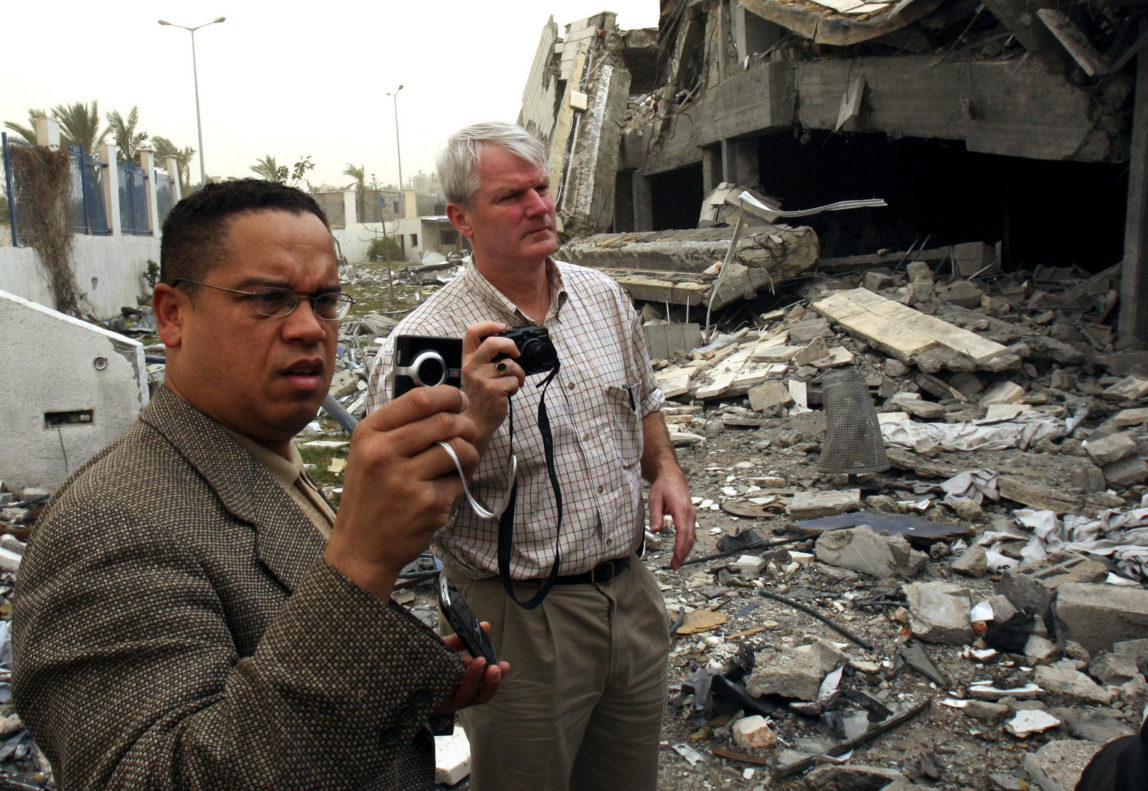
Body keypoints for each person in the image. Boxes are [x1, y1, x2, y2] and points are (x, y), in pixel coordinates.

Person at [12, 179, 508, 791]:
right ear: (172, 316)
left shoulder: (263, 464)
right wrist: (364, 559)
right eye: (269, 299)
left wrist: (401, 683)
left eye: (324, 300)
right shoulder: (108, 526)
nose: (309, 328)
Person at [366, 122, 697, 790]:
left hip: (629, 594)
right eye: (512, 196)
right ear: (460, 218)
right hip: (518, 621)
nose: (540, 207)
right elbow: (400, 512)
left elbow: (643, 397)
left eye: (542, 188)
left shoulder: (600, 297)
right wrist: (479, 418)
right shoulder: (429, 344)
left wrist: (664, 467)